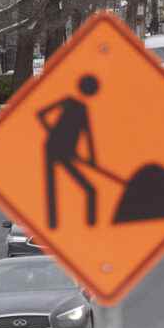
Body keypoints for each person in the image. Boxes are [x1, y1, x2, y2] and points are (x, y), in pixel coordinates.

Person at [37, 75, 99, 229]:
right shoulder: (68, 101)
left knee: (91, 191)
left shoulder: (84, 109)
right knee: (52, 189)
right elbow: (41, 114)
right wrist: (53, 134)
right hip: (52, 149)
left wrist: (92, 158)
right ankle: (53, 225)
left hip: (66, 151)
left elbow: (87, 133)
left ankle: (91, 226)